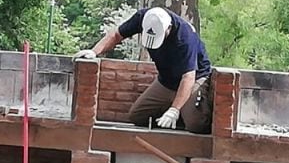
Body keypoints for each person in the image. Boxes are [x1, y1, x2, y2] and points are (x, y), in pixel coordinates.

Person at [74, 7, 213, 134]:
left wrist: (174, 110)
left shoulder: (185, 37)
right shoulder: (144, 17)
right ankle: (174, 113)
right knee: (137, 116)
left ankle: (183, 112)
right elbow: (116, 35)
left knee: (196, 124)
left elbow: (188, 77)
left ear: (168, 28)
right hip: (167, 81)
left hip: (194, 78)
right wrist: (94, 52)